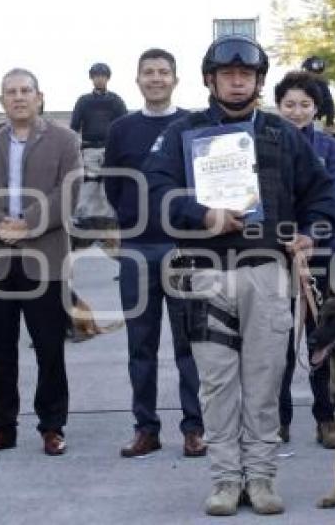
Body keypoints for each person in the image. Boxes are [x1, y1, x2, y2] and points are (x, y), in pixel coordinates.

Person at [143, 34, 335, 516]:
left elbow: (325, 192)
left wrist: (311, 232)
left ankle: (263, 477)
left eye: (245, 75)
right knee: (216, 384)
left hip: (266, 273)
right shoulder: (181, 134)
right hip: (204, 275)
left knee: (265, 381)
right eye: (227, 74)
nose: (236, 81)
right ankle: (227, 480)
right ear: (211, 79)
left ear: (257, 81)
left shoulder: (281, 134)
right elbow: (153, 189)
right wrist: (201, 214)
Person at [0, 68, 82, 457]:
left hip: (44, 259)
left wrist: (28, 224)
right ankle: (0, 428)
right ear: (1, 101)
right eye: (10, 92)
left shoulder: (65, 140)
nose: (18, 97)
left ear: (39, 96)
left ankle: (52, 427)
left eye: (25, 90)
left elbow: (70, 191)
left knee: (49, 348)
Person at [103, 48, 206, 458]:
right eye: (149, 72)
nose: (157, 78)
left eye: (164, 72)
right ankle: (146, 428)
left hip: (183, 246)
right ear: (139, 80)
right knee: (140, 345)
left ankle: (194, 428)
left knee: (188, 345)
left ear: (176, 80)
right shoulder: (121, 129)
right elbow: (114, 186)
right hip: (137, 248)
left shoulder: (192, 126)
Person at [273, 70, 335, 449]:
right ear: (277, 106)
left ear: (316, 108)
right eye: (290, 104)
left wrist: (311, 236)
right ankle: (278, 418)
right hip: (274, 256)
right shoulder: (262, 144)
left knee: (322, 338)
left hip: (321, 255)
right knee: (275, 340)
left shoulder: (330, 149)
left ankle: (327, 418)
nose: (297, 111)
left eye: (305, 105)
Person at [70, 62, 127, 234]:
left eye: (102, 75)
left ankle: (109, 217)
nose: (99, 79)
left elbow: (124, 125)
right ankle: (84, 216)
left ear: (108, 78)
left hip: (110, 148)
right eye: (96, 75)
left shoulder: (116, 100)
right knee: (89, 182)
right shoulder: (83, 101)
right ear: (91, 78)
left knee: (110, 181)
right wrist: (74, 147)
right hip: (89, 148)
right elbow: (74, 126)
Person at [301, 56, 335, 128]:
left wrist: (329, 120)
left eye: (318, 73)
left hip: (313, 121)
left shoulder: (321, 85)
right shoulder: (299, 84)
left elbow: (329, 102)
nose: (315, 75)